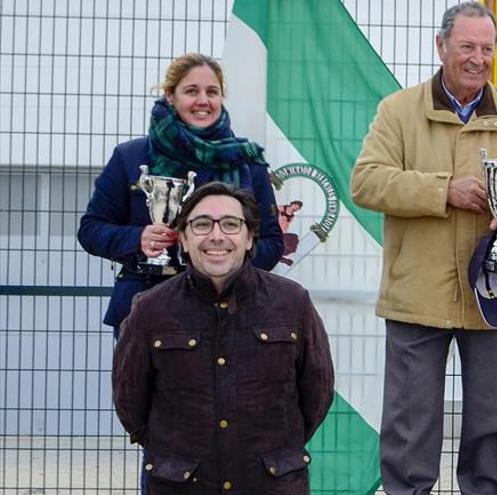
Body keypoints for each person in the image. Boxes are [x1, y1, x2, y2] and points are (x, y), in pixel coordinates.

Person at [350, 3, 497, 493]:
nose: (477, 58)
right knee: (408, 432)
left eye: (487, 48)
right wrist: (441, 190)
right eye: (467, 46)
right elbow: (366, 182)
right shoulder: (397, 111)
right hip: (415, 298)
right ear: (441, 45)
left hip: (496, 298)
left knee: (494, 435)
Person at [112, 182, 334, 494]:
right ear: (184, 241)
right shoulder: (150, 309)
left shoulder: (292, 302)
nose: (217, 236)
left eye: (231, 224)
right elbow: (130, 400)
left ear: (249, 238)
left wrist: (275, 454)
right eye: (202, 224)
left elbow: (317, 392)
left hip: (272, 485)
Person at [78, 52, 283, 338]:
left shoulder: (248, 162)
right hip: (145, 308)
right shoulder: (130, 158)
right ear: (171, 96)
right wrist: (138, 238)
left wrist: (227, 259)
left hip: (230, 310)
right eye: (191, 91)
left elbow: (273, 242)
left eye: (212, 92)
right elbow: (90, 230)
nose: (203, 100)